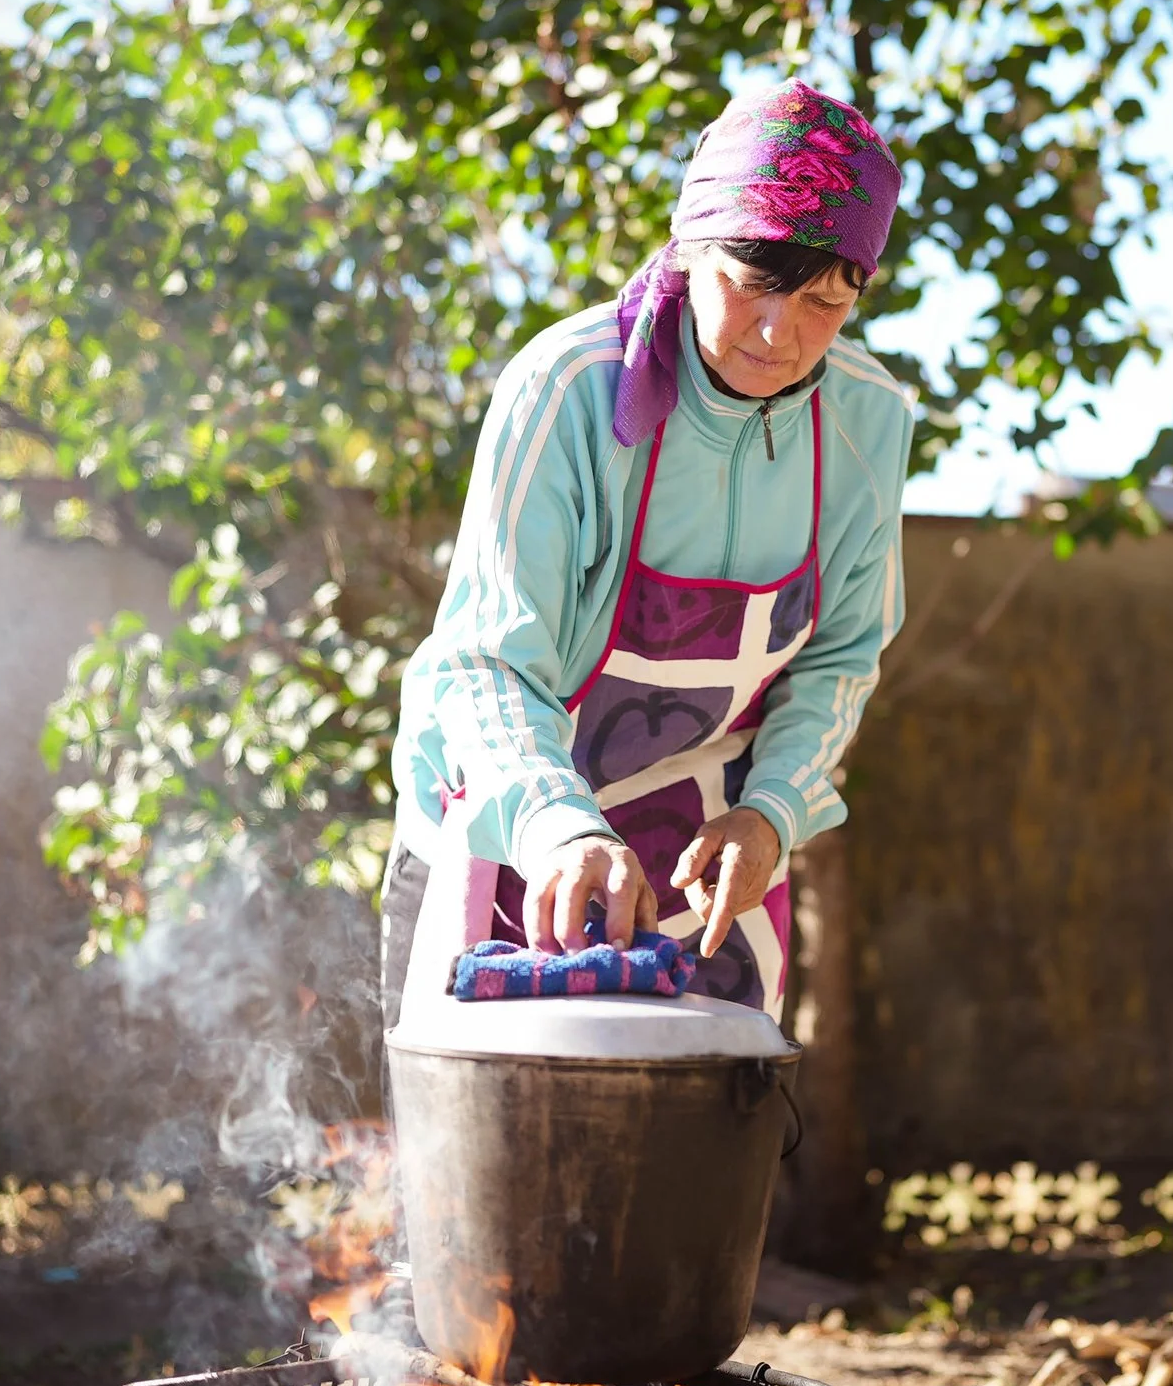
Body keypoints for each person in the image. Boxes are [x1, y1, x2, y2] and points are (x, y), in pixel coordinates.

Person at [380, 79, 913, 1024]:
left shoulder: (868, 422)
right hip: (518, 823)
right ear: (689, 248)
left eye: (825, 304)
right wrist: (556, 821)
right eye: (749, 285)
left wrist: (774, 809)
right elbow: (485, 663)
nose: (776, 334)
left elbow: (838, 659)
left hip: (712, 849)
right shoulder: (569, 389)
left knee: (705, 1156)